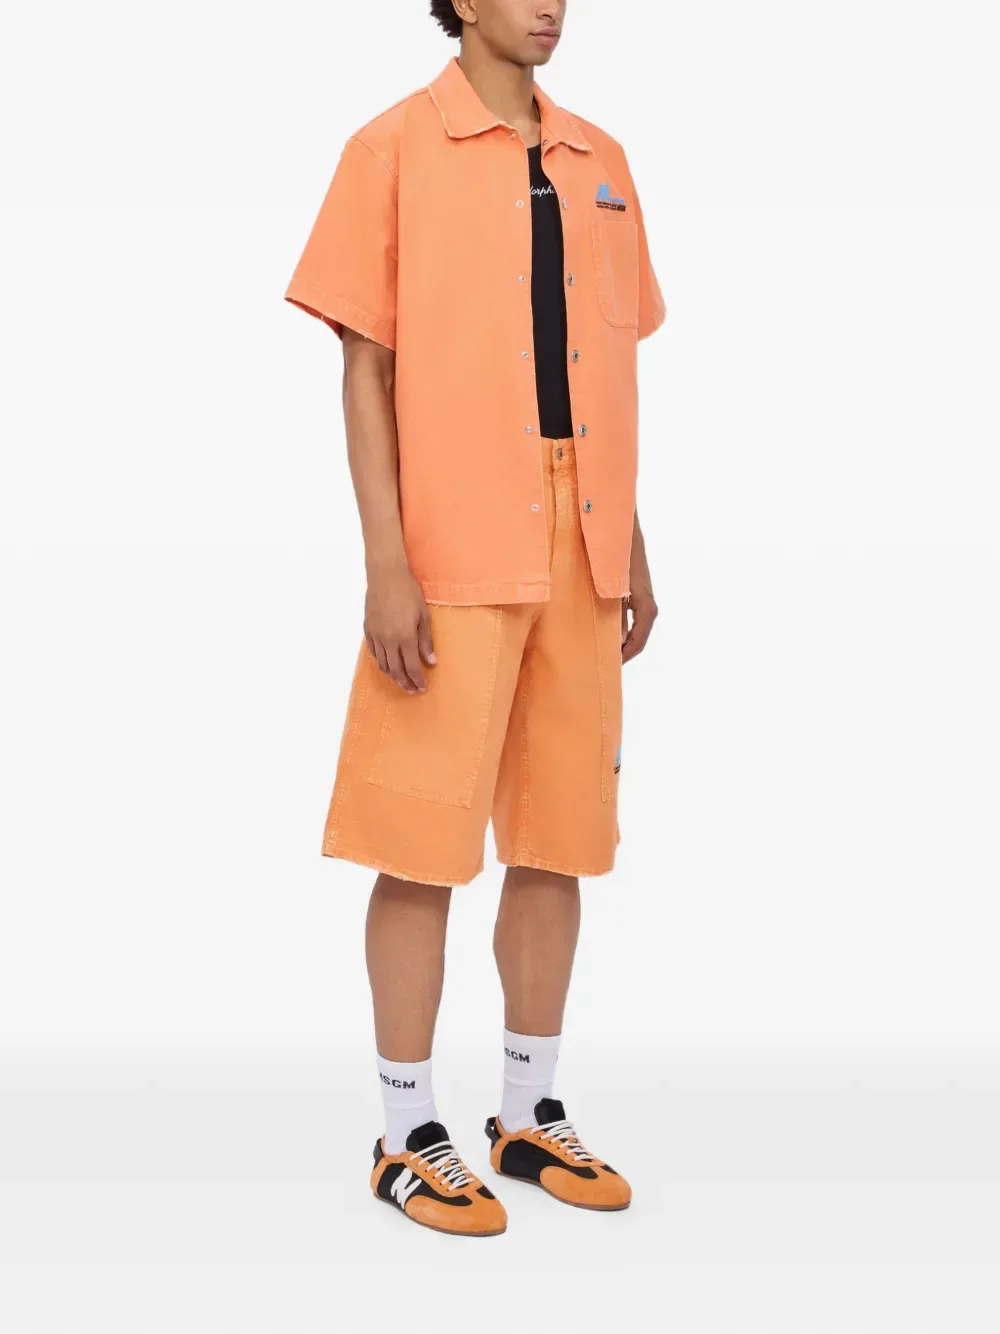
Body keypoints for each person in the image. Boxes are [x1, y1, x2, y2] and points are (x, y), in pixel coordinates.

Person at [284, 0, 665, 1237]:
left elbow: (605, 367)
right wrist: (384, 561)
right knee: (421, 838)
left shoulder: (601, 158)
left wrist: (628, 537)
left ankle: (527, 1112)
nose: (550, 4)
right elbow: (365, 368)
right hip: (451, 542)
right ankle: (405, 1132)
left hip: (581, 536)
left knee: (559, 834)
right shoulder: (390, 148)